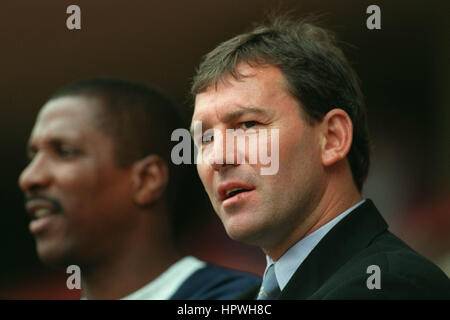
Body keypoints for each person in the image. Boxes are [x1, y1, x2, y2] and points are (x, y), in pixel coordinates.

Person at [190, 17, 450, 299]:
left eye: (249, 124)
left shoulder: (390, 286)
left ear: (332, 138)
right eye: (205, 138)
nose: (218, 157)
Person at [18, 78, 260, 300]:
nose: (29, 178)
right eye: (33, 156)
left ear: (147, 179)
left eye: (64, 152)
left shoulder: (241, 299)